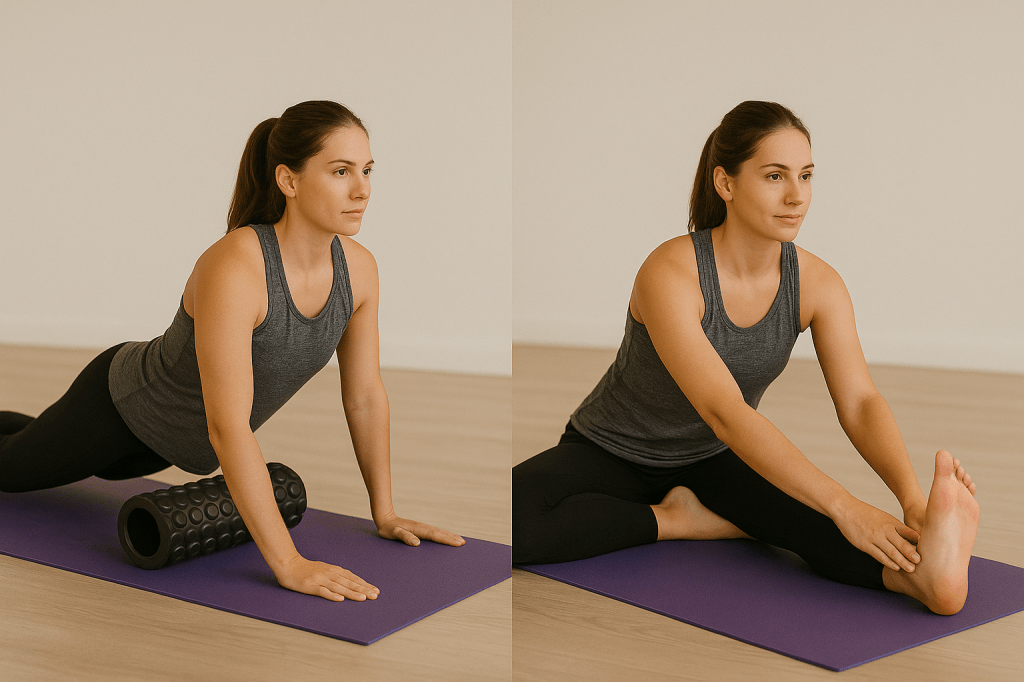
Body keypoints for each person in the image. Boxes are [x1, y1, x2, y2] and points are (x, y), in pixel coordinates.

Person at [512, 101, 980, 616]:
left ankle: (928, 577)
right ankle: (683, 520)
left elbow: (861, 401)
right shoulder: (672, 271)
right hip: (614, 447)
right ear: (726, 183)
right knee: (515, 517)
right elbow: (726, 412)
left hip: (714, 456)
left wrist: (912, 502)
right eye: (775, 175)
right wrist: (845, 503)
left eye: (806, 176)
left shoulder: (819, 284)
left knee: (823, 526)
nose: (796, 196)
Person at [0, 100, 465, 602]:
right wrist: (288, 563)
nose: (362, 189)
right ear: (288, 180)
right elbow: (228, 426)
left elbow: (365, 396)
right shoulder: (238, 267)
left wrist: (385, 510)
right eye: (340, 171)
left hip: (168, 445)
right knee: (13, 471)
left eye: (367, 170)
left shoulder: (360, 270)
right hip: (120, 408)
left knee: (77, 458)